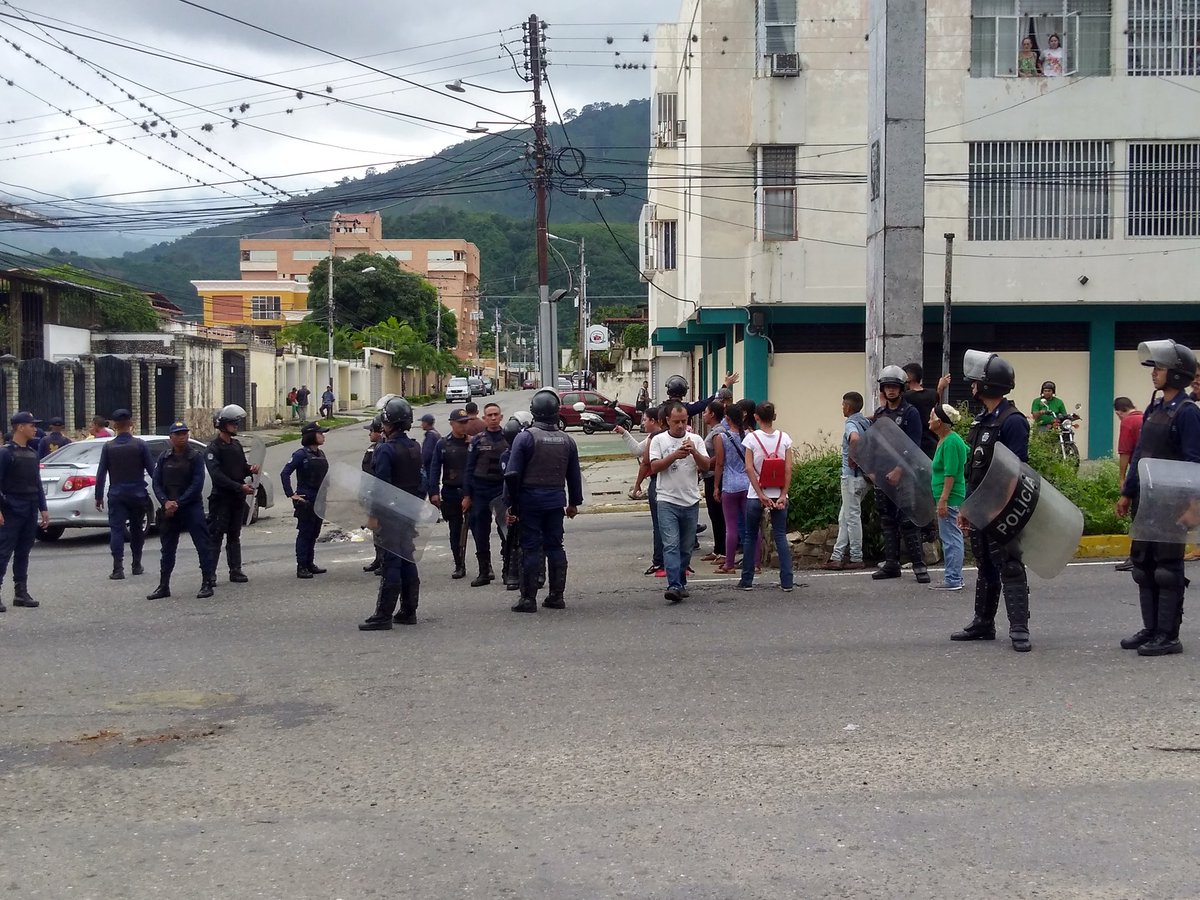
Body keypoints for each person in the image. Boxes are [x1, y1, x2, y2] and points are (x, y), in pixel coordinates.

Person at [1115, 340, 1200, 656]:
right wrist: (1127, 493)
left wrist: (1195, 506)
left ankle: (1168, 636)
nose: (1155, 374)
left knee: (1167, 569)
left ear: (1177, 375)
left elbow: (1195, 463)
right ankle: (1150, 629)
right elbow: (1140, 455)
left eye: (1161, 368)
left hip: (1174, 505)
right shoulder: (1154, 408)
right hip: (1147, 503)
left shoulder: (1188, 414)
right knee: (1142, 567)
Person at [951, 350, 1033, 652]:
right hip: (981, 507)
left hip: (1004, 509)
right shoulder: (982, 421)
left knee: (1010, 565)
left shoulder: (1013, 421)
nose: (972, 386)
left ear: (988, 385)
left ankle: (1020, 629)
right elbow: (973, 470)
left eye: (976, 382)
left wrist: (1000, 508)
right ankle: (983, 622)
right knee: (984, 565)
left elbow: (1016, 471)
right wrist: (968, 507)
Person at [505, 389, 584, 612]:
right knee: (555, 546)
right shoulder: (567, 440)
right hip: (555, 500)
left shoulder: (525, 437)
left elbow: (511, 474)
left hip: (530, 501)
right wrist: (574, 503)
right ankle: (556, 596)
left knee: (530, 548)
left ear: (534, 412)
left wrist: (509, 503)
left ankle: (528, 599)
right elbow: (574, 475)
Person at [359, 397, 423, 630]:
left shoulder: (385, 450)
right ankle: (408, 610)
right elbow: (421, 482)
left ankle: (383, 614)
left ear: (388, 423)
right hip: (409, 511)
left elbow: (381, 487)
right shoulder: (415, 447)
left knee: (391, 563)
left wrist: (374, 514)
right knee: (407, 559)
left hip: (390, 513)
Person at [870, 365, 929, 583]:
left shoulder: (910, 412)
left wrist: (898, 469)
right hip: (883, 474)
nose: (891, 390)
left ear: (901, 388)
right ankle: (891, 564)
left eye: (894, 387)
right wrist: (872, 470)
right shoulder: (880, 414)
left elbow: (914, 445)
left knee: (908, 520)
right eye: (887, 387)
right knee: (887, 520)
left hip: (905, 474)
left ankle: (919, 566)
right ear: (883, 390)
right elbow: (874, 444)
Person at [649, 401, 711, 603]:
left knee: (685, 547)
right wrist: (675, 455)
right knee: (671, 545)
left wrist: (693, 451)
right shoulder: (659, 440)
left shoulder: (696, 439)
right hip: (667, 500)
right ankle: (674, 584)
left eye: (684, 421)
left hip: (690, 501)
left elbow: (706, 465)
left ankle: (680, 581)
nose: (681, 425)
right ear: (667, 420)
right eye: (676, 421)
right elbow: (655, 467)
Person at [147, 421, 215, 600]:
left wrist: (178, 502)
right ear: (171, 437)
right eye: (178, 434)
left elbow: (196, 484)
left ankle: (207, 583)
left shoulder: (195, 457)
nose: (182, 437)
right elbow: (156, 482)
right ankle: (163, 586)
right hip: (169, 509)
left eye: (184, 433)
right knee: (167, 549)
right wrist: (165, 501)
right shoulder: (164, 457)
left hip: (190, 507)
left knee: (202, 545)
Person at [740, 402, 795, 592]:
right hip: (779, 493)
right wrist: (782, 494)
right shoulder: (784, 438)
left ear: (756, 417)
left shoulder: (751, 439)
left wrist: (761, 494)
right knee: (780, 535)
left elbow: (748, 467)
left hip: (756, 494)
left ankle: (747, 579)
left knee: (750, 535)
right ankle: (787, 580)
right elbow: (788, 468)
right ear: (774, 416)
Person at [95, 409, 155, 580]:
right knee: (137, 529)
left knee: (116, 530)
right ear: (130, 423)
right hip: (137, 494)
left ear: (114, 425)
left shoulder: (109, 447)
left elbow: (101, 473)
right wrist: (162, 491)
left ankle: (117, 568)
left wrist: (98, 496)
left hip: (117, 494)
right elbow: (152, 471)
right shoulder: (140, 445)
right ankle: (136, 564)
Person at [0, 412, 48, 611]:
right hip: (11, 507)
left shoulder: (31, 452)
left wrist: (43, 508)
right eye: (31, 425)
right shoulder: (5, 453)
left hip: (29, 507)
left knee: (24, 551)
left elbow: (36, 482)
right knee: (3, 552)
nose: (34, 428)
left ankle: (21, 592)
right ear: (20, 427)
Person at [205, 404, 257, 584]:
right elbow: (217, 476)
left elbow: (242, 467)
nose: (236, 426)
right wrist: (238, 487)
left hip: (237, 499)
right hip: (221, 499)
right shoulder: (213, 448)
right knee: (216, 536)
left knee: (234, 535)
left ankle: (235, 570)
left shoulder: (236, 445)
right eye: (233, 423)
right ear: (222, 424)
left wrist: (251, 469)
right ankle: (209, 574)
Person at [463, 402, 507, 586]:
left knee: (506, 531)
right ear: (484, 418)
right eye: (489, 415)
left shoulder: (509, 438)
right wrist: (467, 495)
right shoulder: (477, 440)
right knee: (481, 532)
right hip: (480, 490)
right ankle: (484, 571)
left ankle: (508, 570)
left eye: (496, 414)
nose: (493, 418)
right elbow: (469, 468)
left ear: (501, 417)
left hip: (502, 490)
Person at [826, 391, 870, 570]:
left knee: (851, 517)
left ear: (849, 407)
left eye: (843, 405)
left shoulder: (851, 423)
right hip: (864, 478)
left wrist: (853, 457)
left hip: (851, 477)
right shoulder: (865, 422)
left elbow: (854, 438)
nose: (842, 408)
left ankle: (856, 556)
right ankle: (836, 556)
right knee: (844, 517)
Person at [281, 421, 330, 579]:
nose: (323, 435)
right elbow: (285, 473)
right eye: (320, 433)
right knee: (305, 533)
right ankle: (301, 565)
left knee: (315, 532)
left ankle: (310, 562)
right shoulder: (300, 454)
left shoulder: (320, 454)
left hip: (320, 498)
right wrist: (291, 494)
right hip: (306, 499)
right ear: (311, 436)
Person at [928, 404, 967, 592]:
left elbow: (950, 473)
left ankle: (953, 578)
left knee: (951, 536)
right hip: (947, 496)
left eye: (931, 417)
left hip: (950, 497)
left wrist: (943, 499)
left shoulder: (951, 441)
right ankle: (954, 576)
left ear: (940, 422)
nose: (929, 421)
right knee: (950, 535)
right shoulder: (945, 440)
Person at [428, 409, 471, 580]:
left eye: (466, 422)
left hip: (470, 492)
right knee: (455, 530)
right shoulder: (443, 444)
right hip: (451, 491)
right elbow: (434, 468)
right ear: (451, 423)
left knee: (477, 529)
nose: (464, 425)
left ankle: (485, 566)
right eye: (460, 422)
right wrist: (433, 492)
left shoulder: (472, 443)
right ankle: (459, 564)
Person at [713, 401, 753, 574]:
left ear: (727, 418)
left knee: (731, 527)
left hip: (730, 484)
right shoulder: (750, 435)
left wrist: (716, 486)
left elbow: (720, 463)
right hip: (748, 484)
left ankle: (729, 563)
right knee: (752, 526)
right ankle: (756, 563)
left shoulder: (722, 437)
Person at [1114, 397, 1146, 570]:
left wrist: (1122, 477)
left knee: (1137, 515)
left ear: (1119, 412)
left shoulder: (1128, 422)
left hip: (1138, 475)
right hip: (1153, 475)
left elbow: (1125, 452)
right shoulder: (1147, 417)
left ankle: (1136, 557)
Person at [700, 401, 728, 562]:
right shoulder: (713, 432)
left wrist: (705, 464)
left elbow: (720, 457)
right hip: (708, 476)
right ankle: (717, 550)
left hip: (714, 476)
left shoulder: (719, 432)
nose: (703, 415)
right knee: (713, 514)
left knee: (718, 515)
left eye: (705, 412)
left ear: (712, 414)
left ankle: (723, 550)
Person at [902, 363, 943, 459]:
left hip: (913, 445)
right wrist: (940, 388)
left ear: (908, 378)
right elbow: (937, 403)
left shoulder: (905, 397)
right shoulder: (932, 394)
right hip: (932, 443)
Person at [360, 417, 385, 575]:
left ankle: (384, 561)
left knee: (382, 531)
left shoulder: (382, 448)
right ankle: (378, 558)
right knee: (376, 531)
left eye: (371, 430)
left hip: (379, 495)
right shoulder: (373, 448)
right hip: (371, 494)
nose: (369, 434)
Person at [664, 372, 740, 419]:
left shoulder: (661, 408)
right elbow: (708, 401)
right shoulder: (687, 408)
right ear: (684, 391)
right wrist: (725, 385)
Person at [418, 413, 440, 499]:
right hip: (434, 468)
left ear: (426, 423)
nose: (421, 424)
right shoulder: (436, 434)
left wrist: (421, 463)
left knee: (425, 492)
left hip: (429, 469)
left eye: (422, 422)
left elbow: (426, 454)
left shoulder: (430, 436)